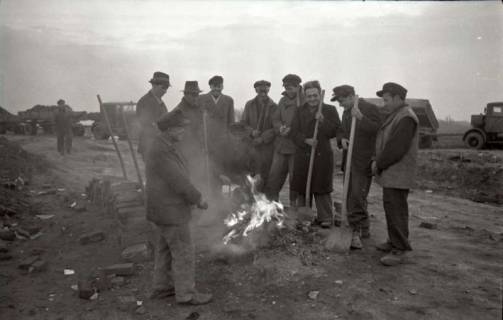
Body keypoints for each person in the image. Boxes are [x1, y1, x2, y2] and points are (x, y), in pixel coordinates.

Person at [145, 108, 212, 305]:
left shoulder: (163, 146)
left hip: (161, 211)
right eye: (181, 129)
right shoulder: (162, 151)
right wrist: (198, 199)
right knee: (183, 252)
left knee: (164, 250)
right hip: (171, 211)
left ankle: (162, 287)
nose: (183, 132)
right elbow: (178, 181)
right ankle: (186, 294)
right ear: (170, 130)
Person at [371, 82, 418, 266]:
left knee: (396, 209)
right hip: (393, 172)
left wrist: (378, 164)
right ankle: (394, 241)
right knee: (392, 207)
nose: (384, 104)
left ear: (399, 98)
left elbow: (396, 148)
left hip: (398, 172)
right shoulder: (398, 114)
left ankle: (400, 249)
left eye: (387, 100)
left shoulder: (406, 117)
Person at [331, 85, 381, 249]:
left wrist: (361, 118)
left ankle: (355, 232)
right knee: (352, 195)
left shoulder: (368, 108)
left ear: (352, 96)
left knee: (356, 197)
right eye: (338, 101)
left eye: (342, 100)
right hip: (349, 161)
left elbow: (378, 130)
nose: (340, 104)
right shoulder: (346, 111)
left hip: (363, 161)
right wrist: (342, 139)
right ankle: (364, 227)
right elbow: (340, 130)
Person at [290, 81, 342, 228]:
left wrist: (323, 121)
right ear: (305, 96)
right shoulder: (300, 111)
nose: (312, 99)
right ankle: (304, 216)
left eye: (315, 95)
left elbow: (335, 131)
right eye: (309, 96)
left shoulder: (330, 110)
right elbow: (293, 133)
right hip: (303, 154)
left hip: (321, 155)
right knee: (302, 186)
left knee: (321, 186)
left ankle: (325, 217)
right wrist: (305, 140)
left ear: (320, 95)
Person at [265, 74, 303, 206]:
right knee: (274, 174)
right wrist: (279, 127)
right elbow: (275, 118)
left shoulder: (304, 101)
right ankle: (272, 203)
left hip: (296, 146)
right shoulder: (282, 101)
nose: (288, 90)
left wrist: (291, 130)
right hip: (280, 145)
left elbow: (304, 122)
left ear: (298, 87)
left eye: (291, 87)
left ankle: (294, 204)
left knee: (295, 177)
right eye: (286, 87)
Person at [198, 75, 235, 195]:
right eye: (214, 86)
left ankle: (224, 198)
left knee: (224, 171)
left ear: (222, 86)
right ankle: (208, 196)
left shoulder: (228, 100)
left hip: (223, 143)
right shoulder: (201, 99)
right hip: (206, 141)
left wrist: (230, 141)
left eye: (219, 86)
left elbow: (231, 123)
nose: (216, 88)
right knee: (208, 170)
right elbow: (198, 122)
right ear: (210, 86)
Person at [241, 80, 277, 192]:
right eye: (260, 89)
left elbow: (275, 128)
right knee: (249, 176)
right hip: (250, 147)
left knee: (265, 176)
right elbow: (243, 123)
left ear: (269, 90)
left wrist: (262, 138)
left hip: (266, 149)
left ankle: (265, 205)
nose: (263, 92)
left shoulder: (274, 106)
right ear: (256, 90)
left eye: (265, 89)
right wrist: (251, 132)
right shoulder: (249, 104)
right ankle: (250, 204)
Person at [173, 81, 205, 184]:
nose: (196, 97)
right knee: (188, 180)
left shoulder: (197, 109)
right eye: (193, 95)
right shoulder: (179, 111)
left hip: (197, 150)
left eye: (197, 94)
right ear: (185, 94)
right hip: (185, 152)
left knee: (199, 179)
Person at [136, 71, 170, 160]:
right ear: (154, 85)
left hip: (160, 146)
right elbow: (146, 124)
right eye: (164, 87)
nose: (165, 91)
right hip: (149, 146)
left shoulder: (161, 102)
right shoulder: (144, 101)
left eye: (167, 88)